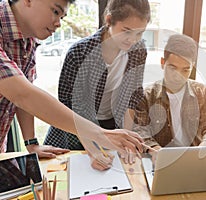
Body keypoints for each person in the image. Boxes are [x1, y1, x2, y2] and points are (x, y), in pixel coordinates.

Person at [0, 0, 145, 171]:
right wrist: (100, 136)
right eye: (55, 11)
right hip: (78, 133)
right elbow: (23, 94)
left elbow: (22, 96)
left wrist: (31, 143)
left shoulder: (28, 40)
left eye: (62, 16)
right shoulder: (81, 51)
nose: (58, 23)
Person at [44, 0, 151, 165]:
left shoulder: (139, 50)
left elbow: (132, 97)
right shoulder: (79, 53)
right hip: (76, 128)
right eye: (126, 31)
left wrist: (126, 138)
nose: (132, 40)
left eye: (139, 33)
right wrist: (92, 150)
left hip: (111, 125)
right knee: (75, 172)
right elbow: (70, 106)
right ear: (109, 21)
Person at [133, 34, 206, 154]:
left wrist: (205, 146)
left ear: (192, 66)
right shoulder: (147, 96)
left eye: (186, 70)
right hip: (161, 158)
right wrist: (155, 151)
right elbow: (140, 131)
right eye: (173, 68)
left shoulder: (203, 93)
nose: (178, 76)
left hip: (195, 157)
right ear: (162, 62)